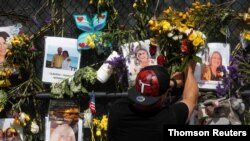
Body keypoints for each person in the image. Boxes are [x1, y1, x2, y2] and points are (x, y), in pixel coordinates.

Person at [108, 60, 198, 141]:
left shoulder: (117, 110)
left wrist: (170, 84)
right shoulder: (168, 119)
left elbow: (143, 88)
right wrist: (189, 69)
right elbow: (190, 99)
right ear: (163, 97)